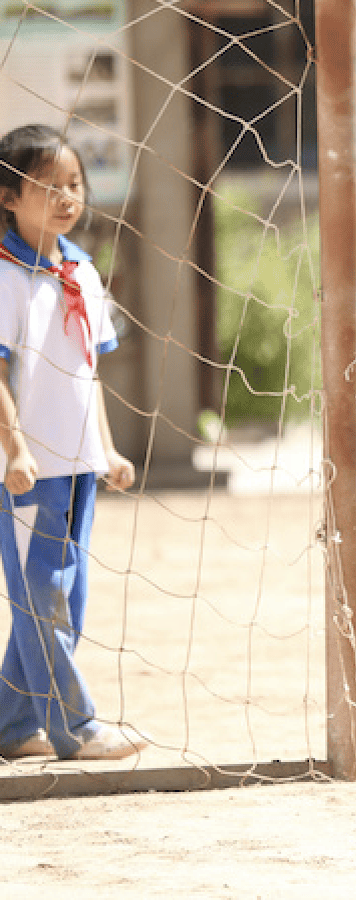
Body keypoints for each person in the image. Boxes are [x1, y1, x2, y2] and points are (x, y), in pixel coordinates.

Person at [0, 124, 146, 761]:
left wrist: (106, 451)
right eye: (46, 185)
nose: (65, 197)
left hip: (79, 463)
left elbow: (90, 372)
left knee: (65, 596)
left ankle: (9, 725)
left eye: (74, 184)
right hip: (29, 471)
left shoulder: (82, 270)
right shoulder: (5, 277)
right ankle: (75, 728)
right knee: (46, 600)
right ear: (8, 195)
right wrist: (13, 449)